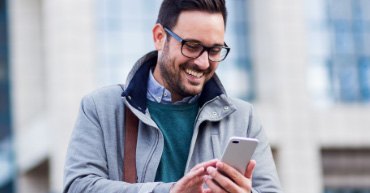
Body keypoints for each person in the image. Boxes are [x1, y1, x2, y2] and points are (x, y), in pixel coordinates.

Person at [63, 0, 282, 193]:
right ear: (159, 37)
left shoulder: (244, 118)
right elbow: (77, 187)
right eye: (192, 46)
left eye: (214, 50)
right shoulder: (100, 108)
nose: (203, 62)